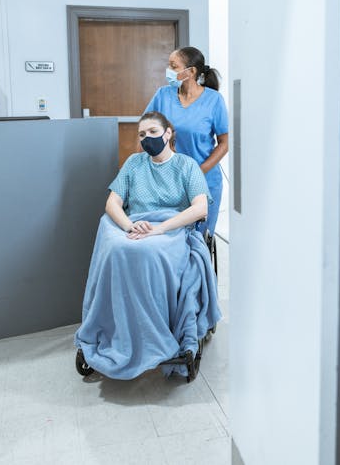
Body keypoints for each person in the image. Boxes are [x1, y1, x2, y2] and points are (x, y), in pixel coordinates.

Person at [74, 111, 221, 380]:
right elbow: (112, 204)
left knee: (146, 251)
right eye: (142, 134)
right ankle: (117, 329)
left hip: (170, 228)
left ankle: (151, 333)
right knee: (119, 247)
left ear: (168, 133)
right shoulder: (134, 164)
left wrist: (160, 229)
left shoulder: (187, 166)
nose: (146, 138)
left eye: (153, 132)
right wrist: (130, 226)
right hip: (135, 225)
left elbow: (200, 208)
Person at [144, 46, 228, 236]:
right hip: (168, 181)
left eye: (174, 66)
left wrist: (198, 172)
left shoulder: (214, 100)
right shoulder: (163, 95)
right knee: (168, 238)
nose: (169, 71)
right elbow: (146, 129)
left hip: (205, 181)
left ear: (191, 71)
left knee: (199, 240)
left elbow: (225, 142)